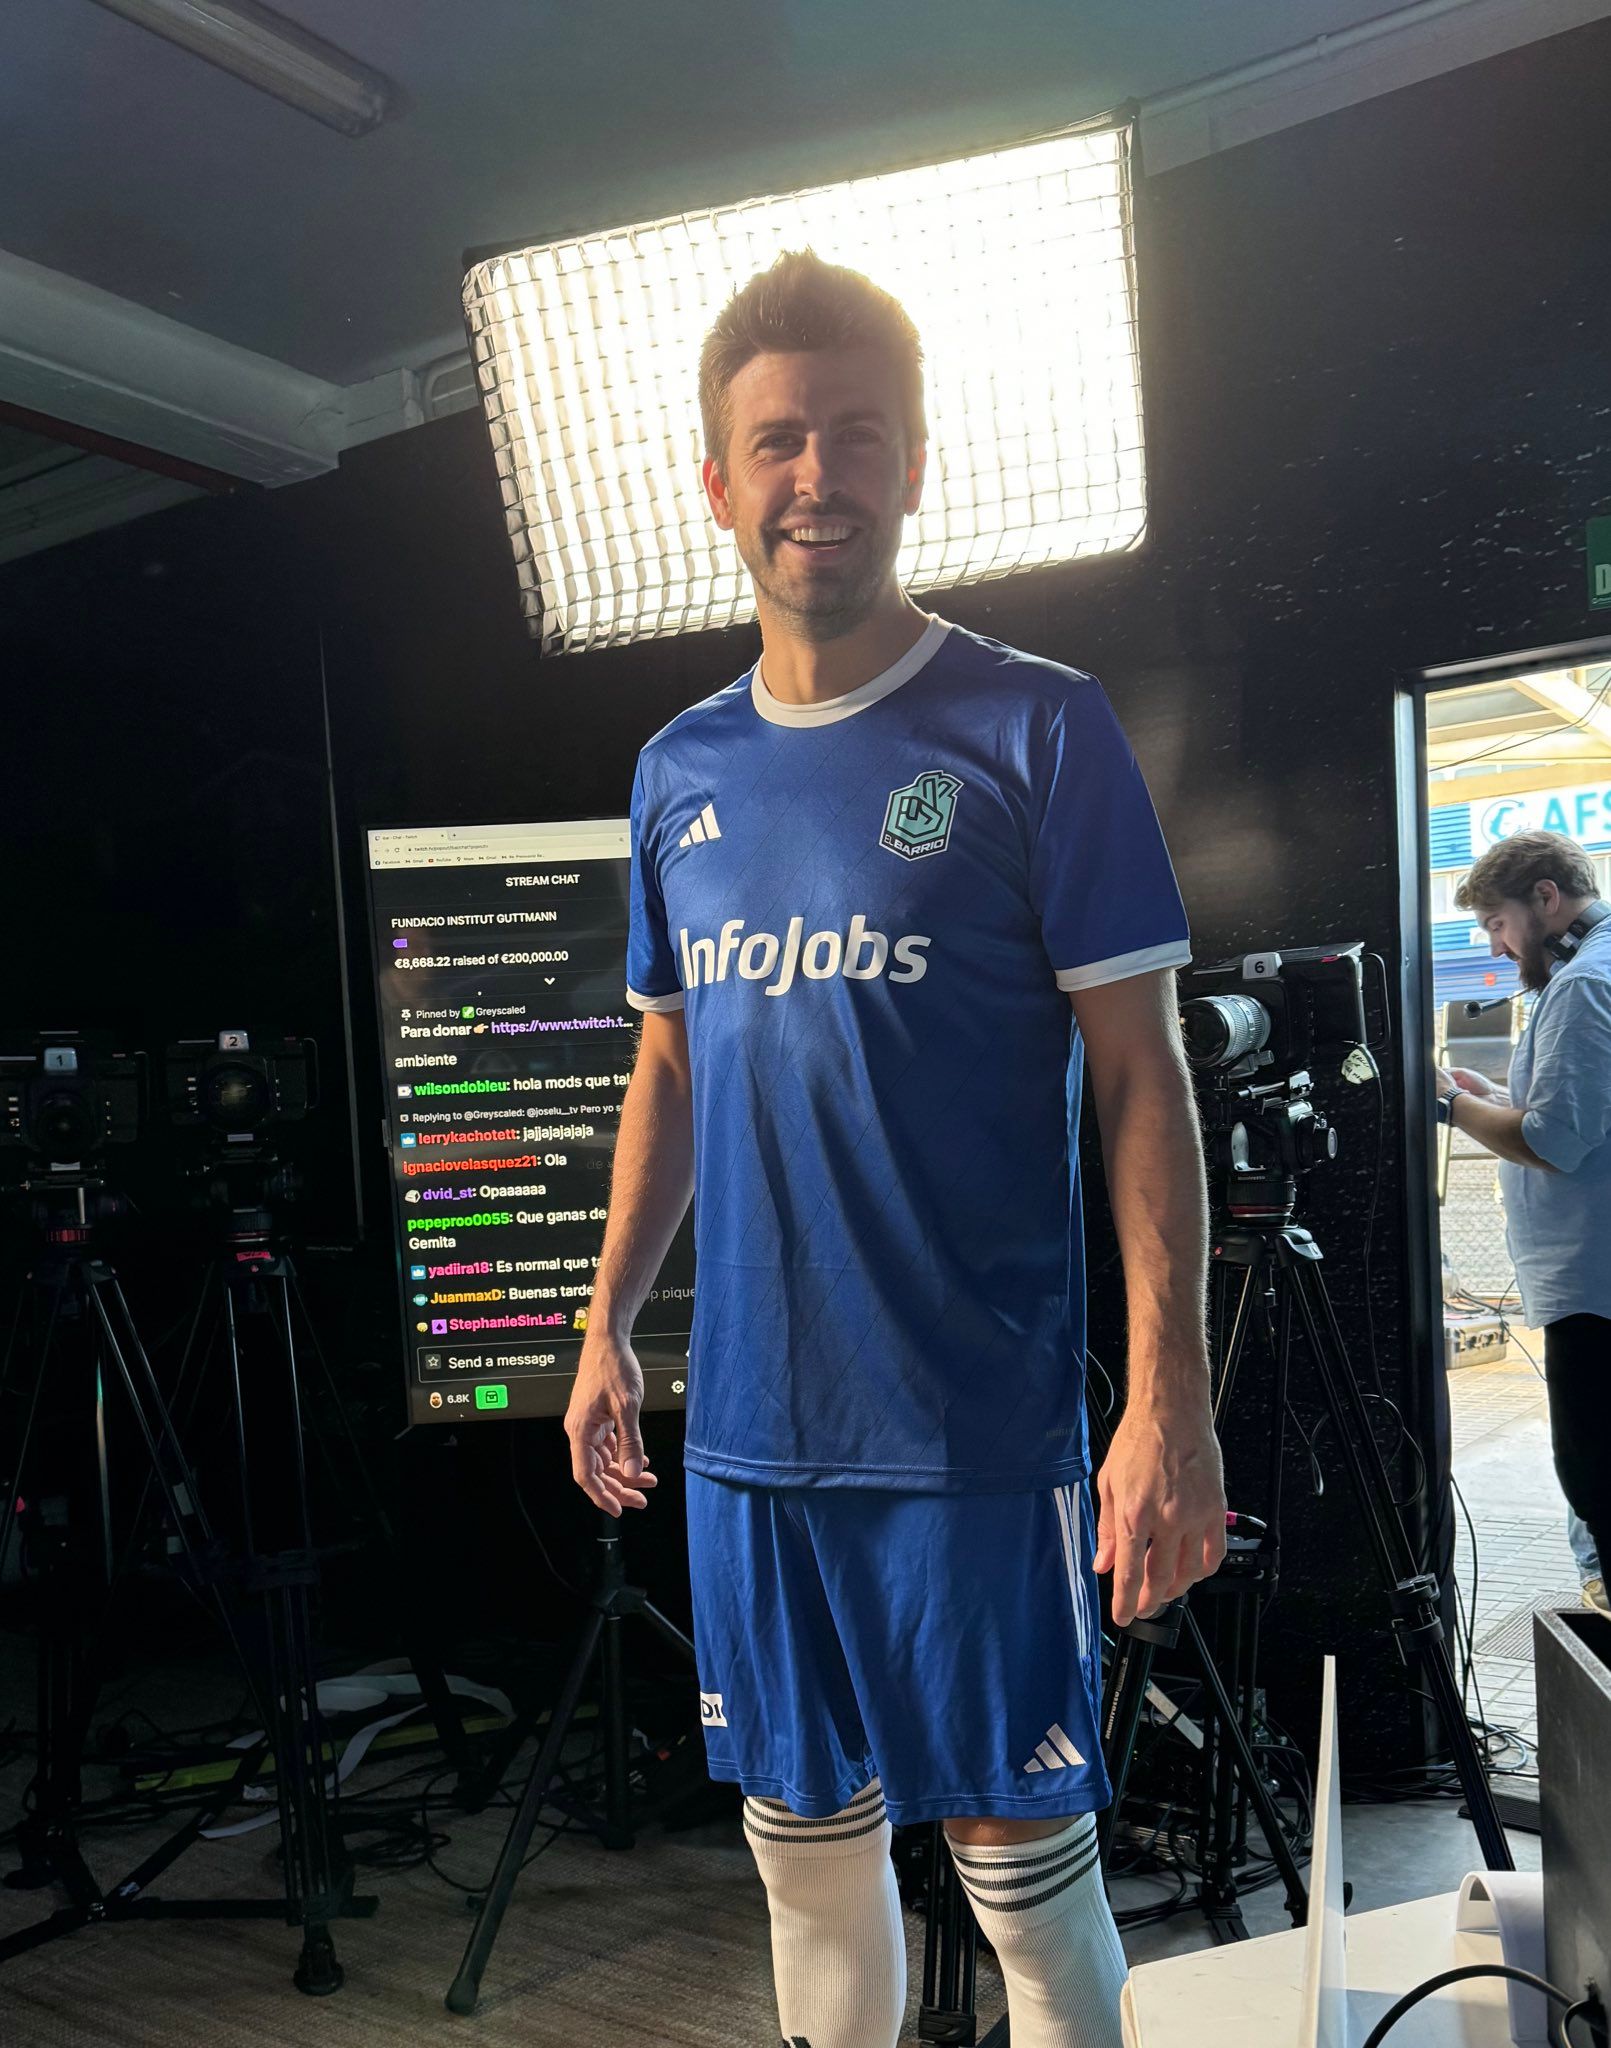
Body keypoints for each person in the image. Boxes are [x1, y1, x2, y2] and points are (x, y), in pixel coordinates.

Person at [564, 250, 1227, 2048]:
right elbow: (672, 1057)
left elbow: (1142, 1075)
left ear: (915, 462)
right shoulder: (675, 769)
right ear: (716, 481)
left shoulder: (1037, 724)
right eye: (774, 440)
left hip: (962, 1427)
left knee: (1025, 1866)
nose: (815, 475)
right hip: (754, 1438)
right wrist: (608, 1315)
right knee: (801, 1848)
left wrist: (1165, 1399)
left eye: (856, 435)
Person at [1436, 829, 1611, 1618]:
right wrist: (1492, 1102)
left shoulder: (1580, 984)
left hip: (1593, 1288)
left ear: (1546, 897)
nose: (1499, 948)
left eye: (1498, 925)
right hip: (1592, 1281)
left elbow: (1550, 1141)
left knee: (1596, 1481)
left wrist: (1449, 1103)